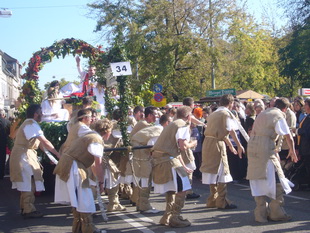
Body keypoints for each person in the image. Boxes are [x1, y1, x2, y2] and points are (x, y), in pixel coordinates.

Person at [54, 119, 111, 233]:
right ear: (107, 131)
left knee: (79, 198)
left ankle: (79, 227)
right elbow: (98, 163)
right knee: (84, 198)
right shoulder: (96, 140)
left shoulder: (90, 136)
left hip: (69, 165)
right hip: (74, 167)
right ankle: (88, 228)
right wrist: (101, 182)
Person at [247, 98, 298, 223]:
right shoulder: (278, 115)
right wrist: (292, 150)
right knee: (277, 178)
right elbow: (288, 136)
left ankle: (260, 214)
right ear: (285, 109)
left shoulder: (263, 113)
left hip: (253, 146)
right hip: (265, 146)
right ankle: (276, 212)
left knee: (257, 177)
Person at [9, 104, 60, 218]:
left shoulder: (29, 124)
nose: (42, 114)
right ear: (36, 114)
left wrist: (51, 157)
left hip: (24, 155)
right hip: (23, 156)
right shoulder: (31, 124)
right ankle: (28, 210)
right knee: (27, 183)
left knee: (27, 183)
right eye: (41, 112)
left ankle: (26, 208)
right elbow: (45, 141)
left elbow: (41, 145)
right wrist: (57, 154)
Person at [151, 106, 196, 228]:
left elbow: (175, 149)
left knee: (172, 188)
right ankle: (175, 217)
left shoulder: (173, 123)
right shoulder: (182, 124)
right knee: (184, 187)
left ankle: (167, 216)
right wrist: (192, 143)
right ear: (188, 116)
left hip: (163, 159)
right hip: (168, 160)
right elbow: (182, 146)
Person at [200, 94, 244, 209]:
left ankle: (212, 199)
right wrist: (239, 145)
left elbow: (221, 132)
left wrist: (230, 146)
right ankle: (222, 201)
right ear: (230, 103)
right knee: (222, 171)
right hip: (217, 144)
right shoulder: (226, 114)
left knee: (211, 170)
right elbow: (231, 131)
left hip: (208, 143)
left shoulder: (213, 114)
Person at [295, 98, 310, 184]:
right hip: (304, 147)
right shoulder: (307, 117)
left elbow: (307, 131)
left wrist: (297, 131)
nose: (304, 106)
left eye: (306, 105)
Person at [0, 109, 10, 179]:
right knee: (2, 158)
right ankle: (1, 174)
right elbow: (9, 134)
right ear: (3, 115)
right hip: (2, 143)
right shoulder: (7, 122)